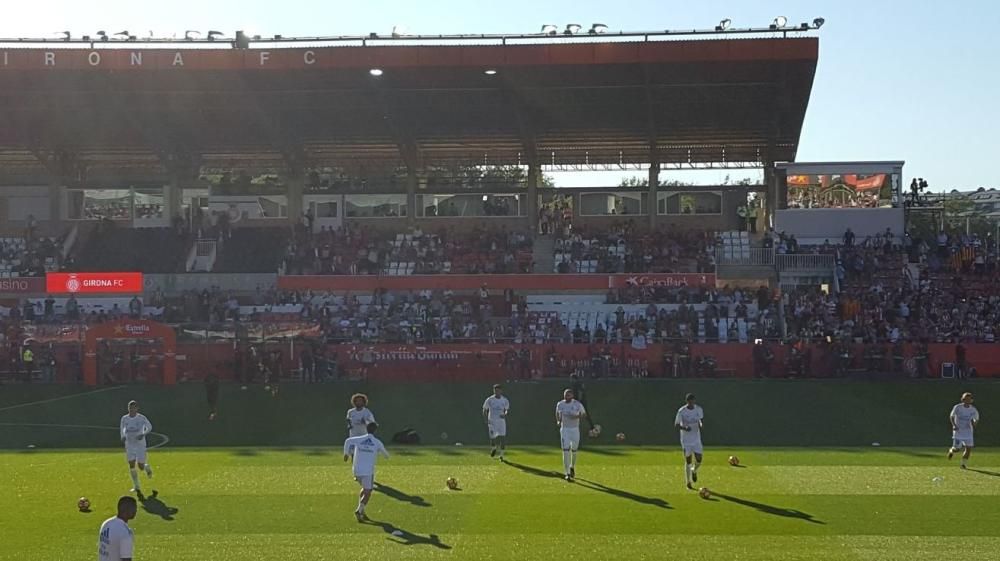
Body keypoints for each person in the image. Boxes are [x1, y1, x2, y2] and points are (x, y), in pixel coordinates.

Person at [343, 422, 389, 522]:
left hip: (356, 471)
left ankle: (362, 509)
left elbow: (348, 441)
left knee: (364, 489)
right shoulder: (376, 442)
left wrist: (346, 454)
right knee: (368, 492)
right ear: (375, 430)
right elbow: (386, 455)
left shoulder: (360, 439)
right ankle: (359, 511)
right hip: (368, 471)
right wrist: (377, 451)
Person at [119, 400, 153, 499]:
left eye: (133, 408)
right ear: (128, 408)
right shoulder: (124, 418)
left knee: (141, 466)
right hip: (129, 444)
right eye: (130, 408)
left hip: (140, 444)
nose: (132, 409)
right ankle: (136, 486)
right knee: (131, 464)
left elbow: (149, 427)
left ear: (137, 408)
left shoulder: (141, 418)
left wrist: (143, 434)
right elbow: (122, 428)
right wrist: (123, 436)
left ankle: (147, 468)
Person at [555, 388, 587, 482]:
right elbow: (557, 413)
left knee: (574, 450)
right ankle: (567, 473)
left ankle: (572, 466)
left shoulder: (577, 404)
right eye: (565, 395)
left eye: (568, 395)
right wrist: (558, 420)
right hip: (565, 429)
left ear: (572, 396)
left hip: (575, 429)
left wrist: (576, 416)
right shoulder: (560, 404)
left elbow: (584, 415)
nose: (566, 397)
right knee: (565, 450)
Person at [674, 393, 705, 490]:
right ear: (687, 401)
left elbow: (700, 419)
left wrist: (701, 424)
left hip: (696, 439)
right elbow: (676, 425)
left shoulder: (698, 409)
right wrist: (684, 427)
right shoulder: (681, 411)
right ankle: (688, 482)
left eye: (693, 401)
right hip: (686, 440)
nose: (691, 403)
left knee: (699, 459)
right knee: (688, 461)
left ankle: (694, 471)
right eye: (689, 401)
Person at [98, 496, 137, 561]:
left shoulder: (106, 523)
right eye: (134, 508)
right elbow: (126, 559)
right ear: (126, 509)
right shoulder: (125, 533)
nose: (136, 510)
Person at [948, 392, 980, 469]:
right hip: (958, 431)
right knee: (957, 449)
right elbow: (951, 416)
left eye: (969, 399)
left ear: (971, 400)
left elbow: (976, 419)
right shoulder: (957, 407)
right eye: (965, 399)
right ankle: (951, 451)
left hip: (968, 432)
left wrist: (974, 423)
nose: (967, 400)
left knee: (968, 449)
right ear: (963, 399)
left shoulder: (973, 410)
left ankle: (963, 464)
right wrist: (954, 425)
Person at [482, 384, 510, 461]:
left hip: (501, 422)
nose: (496, 392)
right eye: (495, 390)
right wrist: (485, 419)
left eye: (498, 390)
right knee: (492, 437)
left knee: (502, 438)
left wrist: (505, 414)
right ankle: (494, 448)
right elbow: (484, 409)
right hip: (492, 421)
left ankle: (501, 456)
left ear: (501, 391)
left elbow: (507, 409)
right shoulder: (490, 399)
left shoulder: (504, 400)